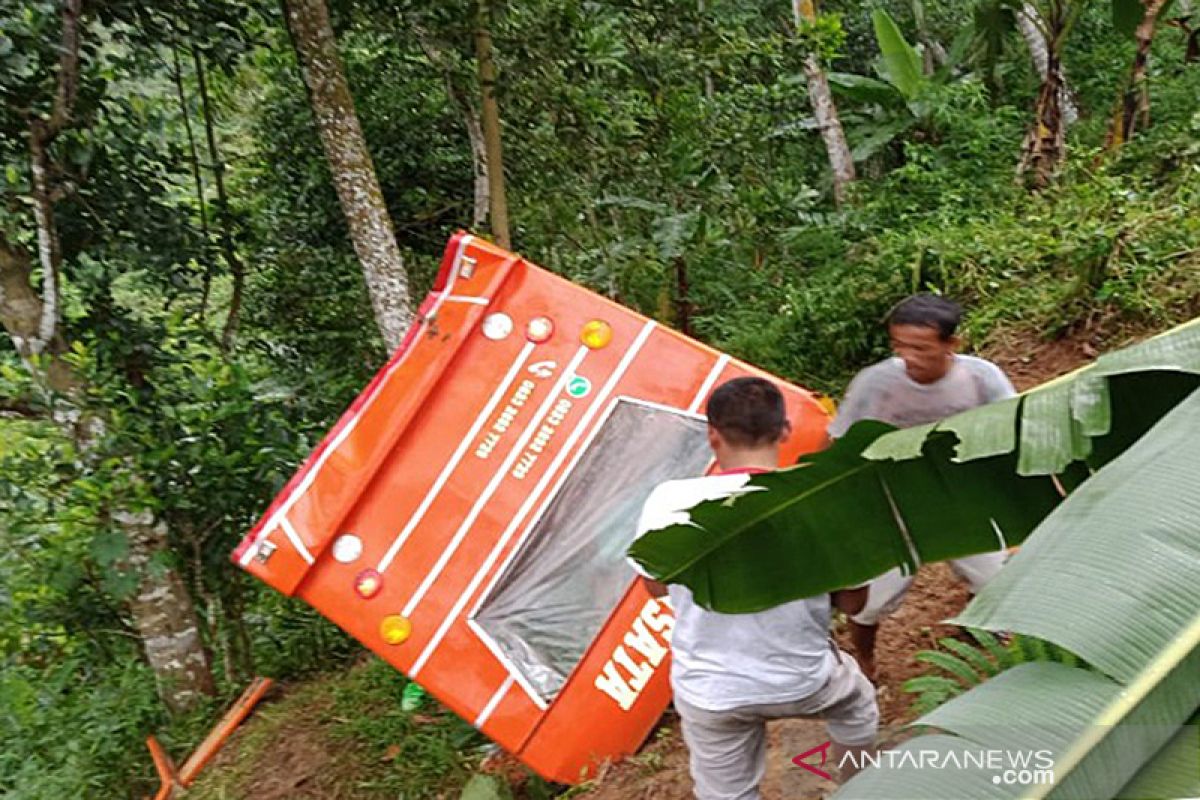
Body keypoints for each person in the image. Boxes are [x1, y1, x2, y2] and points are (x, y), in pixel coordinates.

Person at [633, 377, 878, 800]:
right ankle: (859, 789)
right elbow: (855, 601)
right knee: (858, 708)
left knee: (726, 794)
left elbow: (655, 588)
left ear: (713, 435)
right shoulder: (818, 500)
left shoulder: (668, 500)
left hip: (710, 691)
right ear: (784, 430)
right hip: (803, 682)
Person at [827, 294, 1017, 680]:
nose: (908, 356)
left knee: (997, 581)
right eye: (900, 346)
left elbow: (1011, 427)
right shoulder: (876, 383)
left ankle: (979, 620)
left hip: (963, 502)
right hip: (893, 505)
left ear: (952, 345)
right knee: (870, 602)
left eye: (921, 348)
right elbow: (838, 442)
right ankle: (863, 660)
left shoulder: (981, 379)